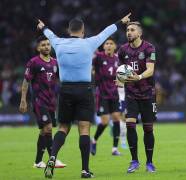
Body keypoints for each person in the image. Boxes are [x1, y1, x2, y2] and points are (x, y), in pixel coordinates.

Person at [37, 13, 131, 178]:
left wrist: (42, 26)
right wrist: (121, 22)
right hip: (84, 90)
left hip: (65, 90)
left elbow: (48, 32)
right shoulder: (89, 43)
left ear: (69, 30)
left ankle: (52, 158)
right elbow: (106, 32)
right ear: (83, 31)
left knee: (63, 128)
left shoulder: (58, 42)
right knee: (84, 129)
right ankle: (85, 170)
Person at [19, 35, 66, 169]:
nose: (46, 47)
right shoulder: (33, 62)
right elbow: (26, 81)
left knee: (43, 132)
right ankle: (53, 158)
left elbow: (61, 80)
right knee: (48, 128)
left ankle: (38, 162)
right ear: (38, 47)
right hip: (39, 101)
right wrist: (23, 99)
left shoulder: (55, 62)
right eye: (43, 45)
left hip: (52, 102)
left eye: (48, 44)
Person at [117, 21, 157, 173]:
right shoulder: (122, 50)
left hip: (148, 93)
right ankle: (134, 161)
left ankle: (149, 162)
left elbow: (150, 70)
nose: (129, 32)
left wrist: (139, 77)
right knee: (130, 124)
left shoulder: (149, 48)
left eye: (132, 30)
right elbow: (120, 71)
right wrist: (119, 80)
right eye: (127, 29)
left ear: (139, 33)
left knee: (148, 129)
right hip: (131, 94)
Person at [91, 37, 122, 156]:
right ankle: (94, 141)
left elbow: (121, 73)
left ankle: (114, 148)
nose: (109, 45)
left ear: (115, 47)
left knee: (116, 118)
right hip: (102, 93)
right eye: (107, 43)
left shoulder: (118, 59)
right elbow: (91, 67)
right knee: (104, 121)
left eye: (111, 43)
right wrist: (93, 72)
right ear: (103, 47)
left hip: (114, 93)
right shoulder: (98, 57)